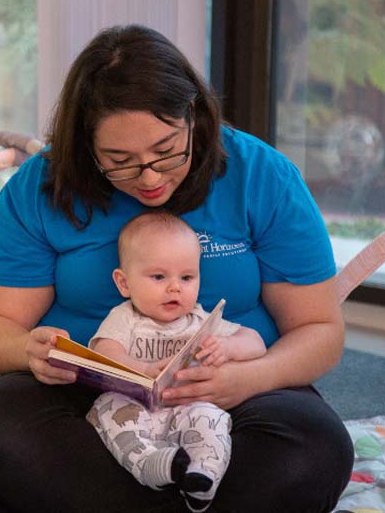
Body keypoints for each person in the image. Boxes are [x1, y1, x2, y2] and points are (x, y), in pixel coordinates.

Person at [0, 23, 354, 513]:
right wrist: (26, 349)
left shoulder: (262, 176)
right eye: (119, 160)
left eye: (166, 151)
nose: (149, 178)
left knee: (315, 448)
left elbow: (319, 331)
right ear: (85, 146)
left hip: (234, 396)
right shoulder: (39, 188)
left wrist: (248, 379)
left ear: (194, 115)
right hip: (89, 402)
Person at [87, 210, 267, 513]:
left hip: (187, 406)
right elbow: (105, 351)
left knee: (213, 418)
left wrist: (227, 347)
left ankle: (203, 474)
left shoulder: (199, 320)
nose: (175, 287)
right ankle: (149, 465)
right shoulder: (126, 317)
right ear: (124, 283)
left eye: (187, 277)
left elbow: (256, 342)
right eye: (159, 277)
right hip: (136, 405)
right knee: (109, 409)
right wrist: (142, 369)